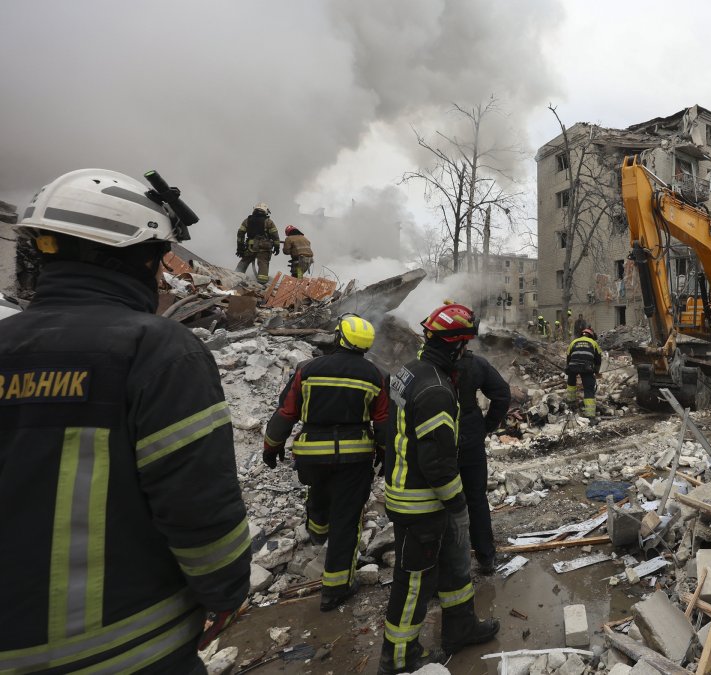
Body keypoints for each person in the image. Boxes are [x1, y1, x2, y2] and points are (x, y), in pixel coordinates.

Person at [0, 169, 250, 672]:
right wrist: (226, 592)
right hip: (130, 646)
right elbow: (198, 503)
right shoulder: (157, 351)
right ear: (137, 257)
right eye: (157, 258)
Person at [379, 303, 499, 673]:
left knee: (453, 566)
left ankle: (460, 628)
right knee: (415, 581)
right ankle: (399, 658)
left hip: (412, 493)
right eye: (464, 345)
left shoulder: (408, 372)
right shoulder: (436, 389)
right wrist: (458, 503)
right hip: (421, 503)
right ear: (456, 346)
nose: (466, 352)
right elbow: (437, 464)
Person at [262, 314, 391, 611]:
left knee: (318, 492)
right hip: (355, 458)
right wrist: (386, 453)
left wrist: (271, 446)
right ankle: (336, 588)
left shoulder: (307, 369)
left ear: (338, 338)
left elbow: (286, 412)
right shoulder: (376, 375)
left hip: (312, 456)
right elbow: (383, 420)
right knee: (347, 518)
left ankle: (318, 532)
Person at [454, 348, 511, 573]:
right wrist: (487, 426)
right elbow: (502, 394)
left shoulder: (424, 366)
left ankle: (443, 563)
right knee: (476, 499)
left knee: (439, 501)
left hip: (436, 441)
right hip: (469, 438)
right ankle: (486, 558)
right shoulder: (475, 364)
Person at [235, 202, 279, 284]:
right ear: (266, 211)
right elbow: (275, 235)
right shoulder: (269, 222)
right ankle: (262, 283)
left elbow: (240, 234)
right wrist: (277, 247)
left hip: (250, 247)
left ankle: (235, 278)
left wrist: (240, 248)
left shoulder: (247, 220)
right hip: (264, 248)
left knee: (244, 261)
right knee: (263, 263)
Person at [565, 327, 603, 418]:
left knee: (571, 382)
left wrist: (568, 368)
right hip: (587, 368)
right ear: (591, 336)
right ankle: (590, 415)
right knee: (588, 389)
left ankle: (570, 403)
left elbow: (568, 356)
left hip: (573, 366)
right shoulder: (594, 343)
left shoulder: (573, 342)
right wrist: (596, 371)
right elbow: (598, 359)